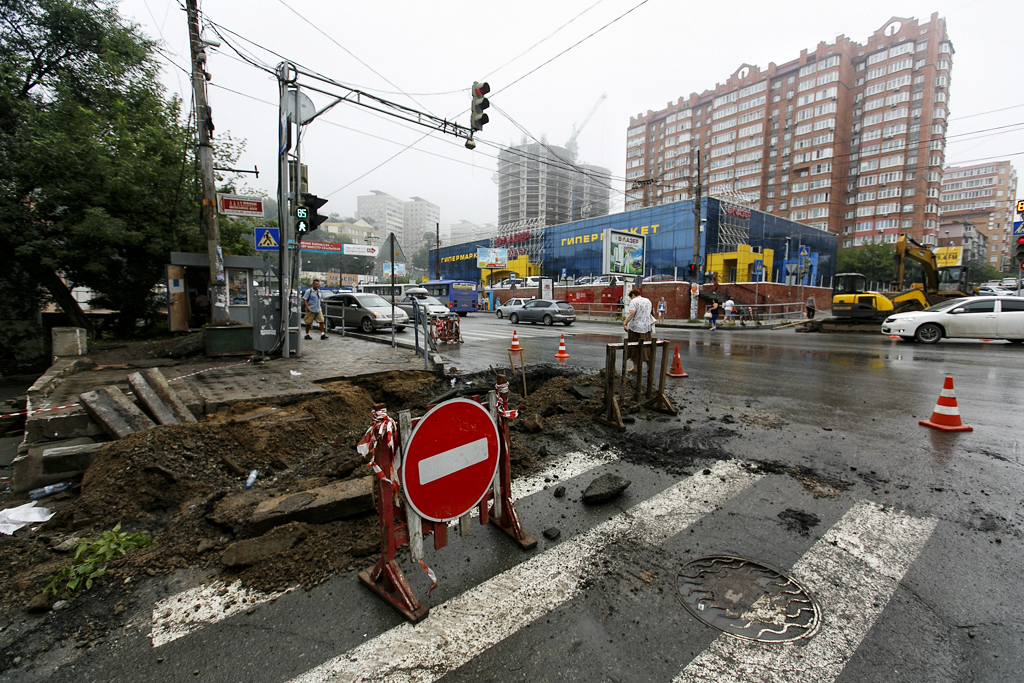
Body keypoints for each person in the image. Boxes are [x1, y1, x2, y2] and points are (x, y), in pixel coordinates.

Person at [622, 288, 653, 373]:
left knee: (634, 347)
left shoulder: (634, 301)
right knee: (647, 347)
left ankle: (635, 367)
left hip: (635, 328)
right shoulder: (648, 301)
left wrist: (625, 323)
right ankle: (649, 367)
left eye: (631, 297)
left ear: (632, 295)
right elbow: (651, 312)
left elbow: (631, 313)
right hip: (646, 328)